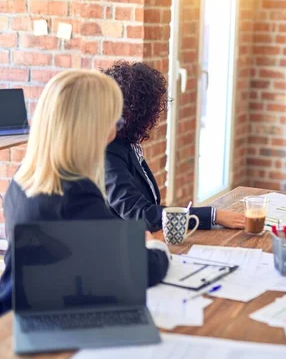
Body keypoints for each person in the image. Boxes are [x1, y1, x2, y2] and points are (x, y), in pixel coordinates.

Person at [0, 70, 171, 315]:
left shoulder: (21, 181)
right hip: (47, 324)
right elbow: (143, 269)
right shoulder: (75, 192)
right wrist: (157, 247)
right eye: (115, 122)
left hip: (15, 312)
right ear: (92, 129)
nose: (115, 132)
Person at [102, 61, 244, 232]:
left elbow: (149, 206)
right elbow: (140, 213)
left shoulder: (128, 144)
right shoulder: (109, 152)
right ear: (140, 112)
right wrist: (213, 216)